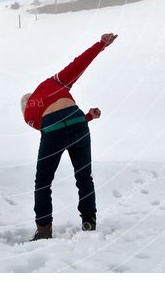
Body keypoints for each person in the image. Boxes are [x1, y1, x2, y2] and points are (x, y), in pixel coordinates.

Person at [21, 33, 118, 241]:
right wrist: (101, 44)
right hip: (77, 121)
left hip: (55, 128)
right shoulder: (52, 83)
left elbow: (54, 127)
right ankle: (89, 223)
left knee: (43, 182)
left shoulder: (29, 113)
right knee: (84, 177)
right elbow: (78, 65)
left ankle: (44, 231)